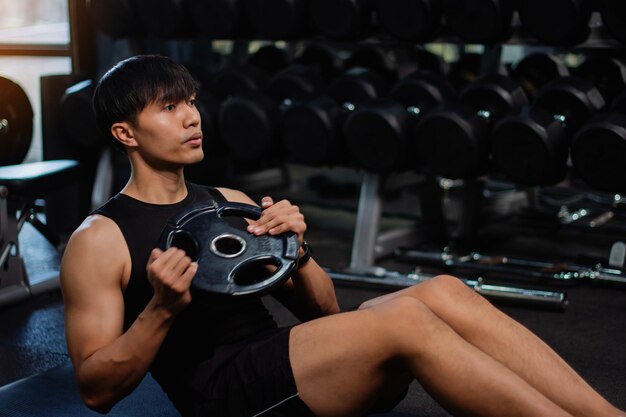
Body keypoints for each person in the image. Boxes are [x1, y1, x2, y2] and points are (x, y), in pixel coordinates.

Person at [60, 54, 624, 417]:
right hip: (226, 396)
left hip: (292, 363)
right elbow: (96, 389)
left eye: (191, 101)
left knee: (444, 290)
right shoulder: (100, 238)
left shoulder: (228, 203)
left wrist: (298, 253)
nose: (192, 117)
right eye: (169, 107)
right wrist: (160, 309)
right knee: (403, 319)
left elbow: (324, 314)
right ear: (124, 132)